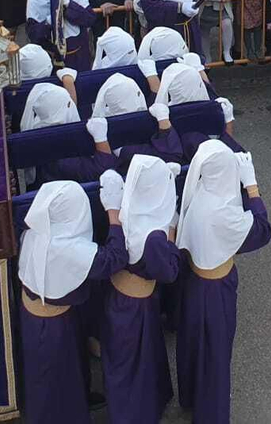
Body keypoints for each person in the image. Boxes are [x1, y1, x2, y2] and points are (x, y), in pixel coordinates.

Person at [175, 141, 271, 424]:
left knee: (192, 345)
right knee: (215, 355)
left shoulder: (198, 194)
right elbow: (261, 231)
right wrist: (252, 187)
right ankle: (211, 415)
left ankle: (190, 397)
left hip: (194, 282)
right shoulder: (222, 213)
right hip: (216, 290)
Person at [17, 179, 127, 424]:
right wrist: (114, 212)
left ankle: (81, 399)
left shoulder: (37, 230)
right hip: (51, 327)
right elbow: (113, 259)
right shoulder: (67, 248)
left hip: (51, 315)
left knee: (69, 372)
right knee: (57, 384)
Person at [102, 155, 183, 424]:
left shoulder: (126, 206)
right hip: (138, 306)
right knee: (137, 365)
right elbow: (170, 271)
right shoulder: (155, 236)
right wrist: (171, 228)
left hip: (119, 297)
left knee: (125, 361)